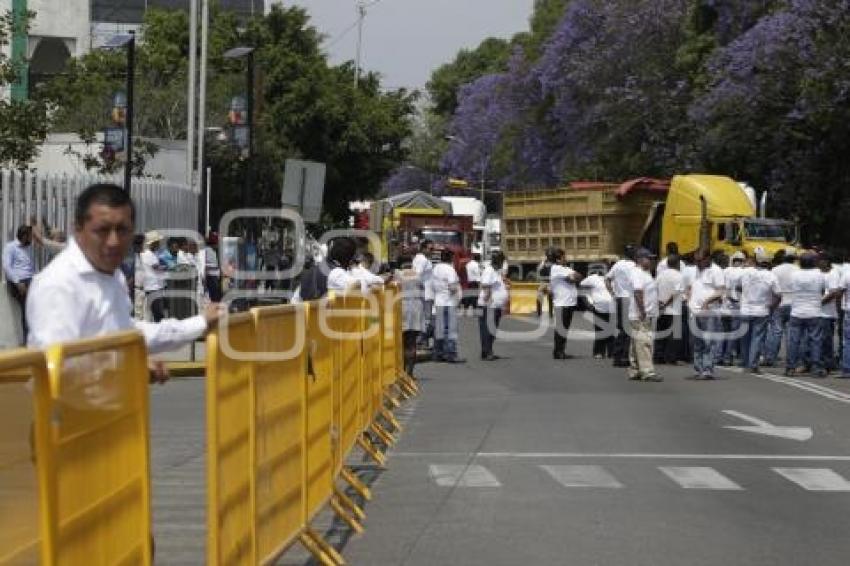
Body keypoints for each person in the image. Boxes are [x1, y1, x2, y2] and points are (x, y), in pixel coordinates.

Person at [26, 183, 223, 383]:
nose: (113, 241)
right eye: (102, 230)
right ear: (78, 229)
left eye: (122, 230)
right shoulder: (58, 284)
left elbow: (128, 333)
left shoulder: (111, 276)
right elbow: (55, 366)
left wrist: (199, 323)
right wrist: (129, 365)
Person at [739, 252, 781, 373]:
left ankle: (746, 363)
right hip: (761, 311)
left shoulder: (746, 272)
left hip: (746, 309)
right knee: (757, 338)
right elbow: (778, 295)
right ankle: (752, 364)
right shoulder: (771, 276)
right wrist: (771, 307)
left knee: (745, 338)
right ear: (769, 263)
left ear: (757, 262)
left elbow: (738, 287)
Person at [786, 252, 826, 377]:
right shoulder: (819, 274)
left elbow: (791, 288)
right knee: (815, 341)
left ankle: (790, 367)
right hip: (814, 311)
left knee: (794, 341)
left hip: (797, 311)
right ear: (814, 262)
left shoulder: (794, 275)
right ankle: (815, 368)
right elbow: (823, 290)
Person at [688, 250, 726, 379]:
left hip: (710, 312)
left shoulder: (716, 271)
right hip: (695, 311)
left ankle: (707, 369)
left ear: (707, 258)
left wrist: (707, 301)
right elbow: (691, 287)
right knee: (697, 342)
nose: (697, 263)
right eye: (696, 261)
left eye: (700, 261)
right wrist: (689, 300)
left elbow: (721, 291)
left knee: (709, 341)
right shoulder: (695, 270)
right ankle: (698, 368)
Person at [628, 248, 661, 381]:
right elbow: (638, 292)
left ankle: (635, 369)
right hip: (640, 314)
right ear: (640, 259)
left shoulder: (644, 273)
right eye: (649, 258)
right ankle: (647, 371)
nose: (652, 261)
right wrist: (642, 311)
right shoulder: (637, 273)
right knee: (644, 342)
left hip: (643, 312)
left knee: (636, 342)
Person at [764, 251, 798, 366]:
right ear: (793, 259)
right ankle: (792, 359)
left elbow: (771, 287)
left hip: (779, 303)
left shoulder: (775, 270)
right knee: (791, 333)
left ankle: (770, 357)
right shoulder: (798, 270)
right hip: (793, 303)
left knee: (776, 331)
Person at [606, 244, 637, 367]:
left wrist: (613, 293)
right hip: (630, 299)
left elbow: (607, 279)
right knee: (628, 329)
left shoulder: (617, 265)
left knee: (623, 329)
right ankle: (623, 357)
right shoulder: (634, 266)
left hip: (620, 299)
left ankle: (619, 356)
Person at [3, 225, 36, 341]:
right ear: (24, 236)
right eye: (30, 236)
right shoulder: (10, 247)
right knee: (27, 309)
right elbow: (7, 267)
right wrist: (17, 283)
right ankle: (27, 343)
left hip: (30, 280)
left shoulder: (29, 247)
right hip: (19, 282)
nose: (32, 239)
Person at [431, 248, 464, 363]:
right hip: (448, 302)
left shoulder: (436, 268)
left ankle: (438, 353)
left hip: (438, 301)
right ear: (450, 257)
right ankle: (450, 354)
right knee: (450, 330)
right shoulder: (450, 270)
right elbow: (452, 287)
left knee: (439, 329)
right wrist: (457, 295)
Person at [550, 248, 582, 360]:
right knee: (561, 329)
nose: (566, 258)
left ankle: (561, 350)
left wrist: (572, 278)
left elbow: (579, 276)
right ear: (558, 259)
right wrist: (572, 278)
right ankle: (558, 352)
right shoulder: (556, 269)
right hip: (561, 303)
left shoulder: (565, 269)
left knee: (565, 328)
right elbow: (575, 277)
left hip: (569, 303)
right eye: (564, 257)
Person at [478, 251, 509, 361]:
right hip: (489, 306)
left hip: (495, 306)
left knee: (492, 330)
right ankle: (487, 352)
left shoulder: (496, 271)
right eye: (502, 261)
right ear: (498, 261)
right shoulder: (489, 270)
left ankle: (488, 350)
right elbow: (485, 285)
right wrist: (488, 300)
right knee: (488, 330)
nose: (503, 263)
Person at [655, 254, 685, 365]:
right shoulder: (679, 276)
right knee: (674, 335)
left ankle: (658, 356)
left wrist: (660, 303)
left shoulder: (661, 275)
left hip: (661, 308)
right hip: (674, 309)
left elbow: (655, 289)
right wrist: (666, 303)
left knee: (660, 333)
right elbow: (676, 293)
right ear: (677, 264)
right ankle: (671, 358)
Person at [580, 263, 614, 359]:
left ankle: (611, 352)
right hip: (599, 308)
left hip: (612, 308)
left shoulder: (612, 279)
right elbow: (582, 284)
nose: (602, 271)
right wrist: (589, 299)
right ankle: (598, 352)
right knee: (599, 331)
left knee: (611, 331)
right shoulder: (593, 278)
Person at [718, 251, 745, 366]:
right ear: (742, 261)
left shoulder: (724, 271)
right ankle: (727, 357)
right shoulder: (744, 273)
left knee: (723, 333)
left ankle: (719, 356)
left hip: (724, 307)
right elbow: (741, 288)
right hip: (736, 307)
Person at [818, 252, 843, 374]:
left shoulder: (833, 274)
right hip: (819, 312)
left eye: (821, 260)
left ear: (827, 261)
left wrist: (819, 303)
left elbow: (833, 293)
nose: (818, 262)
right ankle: (822, 362)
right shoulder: (820, 273)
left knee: (826, 339)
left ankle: (828, 364)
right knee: (820, 339)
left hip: (827, 313)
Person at [399, 264, 423, 377]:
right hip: (416, 308)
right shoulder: (418, 275)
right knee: (412, 341)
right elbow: (423, 288)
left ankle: (402, 371)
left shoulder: (398, 275)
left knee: (402, 342)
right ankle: (410, 372)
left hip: (402, 306)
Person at [412, 240, 435, 348]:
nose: (432, 251)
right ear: (423, 248)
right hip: (426, 293)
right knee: (427, 319)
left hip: (423, 293)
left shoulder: (417, 258)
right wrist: (420, 286)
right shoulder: (423, 260)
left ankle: (423, 342)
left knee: (423, 318)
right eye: (430, 249)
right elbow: (417, 275)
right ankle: (420, 340)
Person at [140, 231, 167, 322]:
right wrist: (166, 267)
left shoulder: (153, 254)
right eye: (158, 242)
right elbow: (156, 267)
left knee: (157, 311)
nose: (159, 244)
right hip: (152, 287)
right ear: (153, 243)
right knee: (157, 312)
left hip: (156, 286)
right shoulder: (148, 254)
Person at [200, 232, 222, 302]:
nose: (218, 245)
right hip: (211, 276)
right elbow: (203, 264)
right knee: (214, 296)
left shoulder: (215, 251)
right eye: (217, 243)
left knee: (217, 295)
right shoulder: (206, 250)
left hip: (216, 276)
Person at [536, 249, 555, 319]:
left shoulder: (553, 263)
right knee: (539, 295)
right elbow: (539, 269)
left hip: (550, 282)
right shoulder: (542, 263)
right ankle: (539, 312)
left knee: (550, 296)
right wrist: (543, 261)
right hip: (543, 282)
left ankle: (551, 312)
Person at [841, 263, 850, 379]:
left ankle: (847, 369)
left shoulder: (847, 274)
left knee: (848, 341)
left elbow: (839, 292)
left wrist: (839, 308)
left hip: (849, 310)